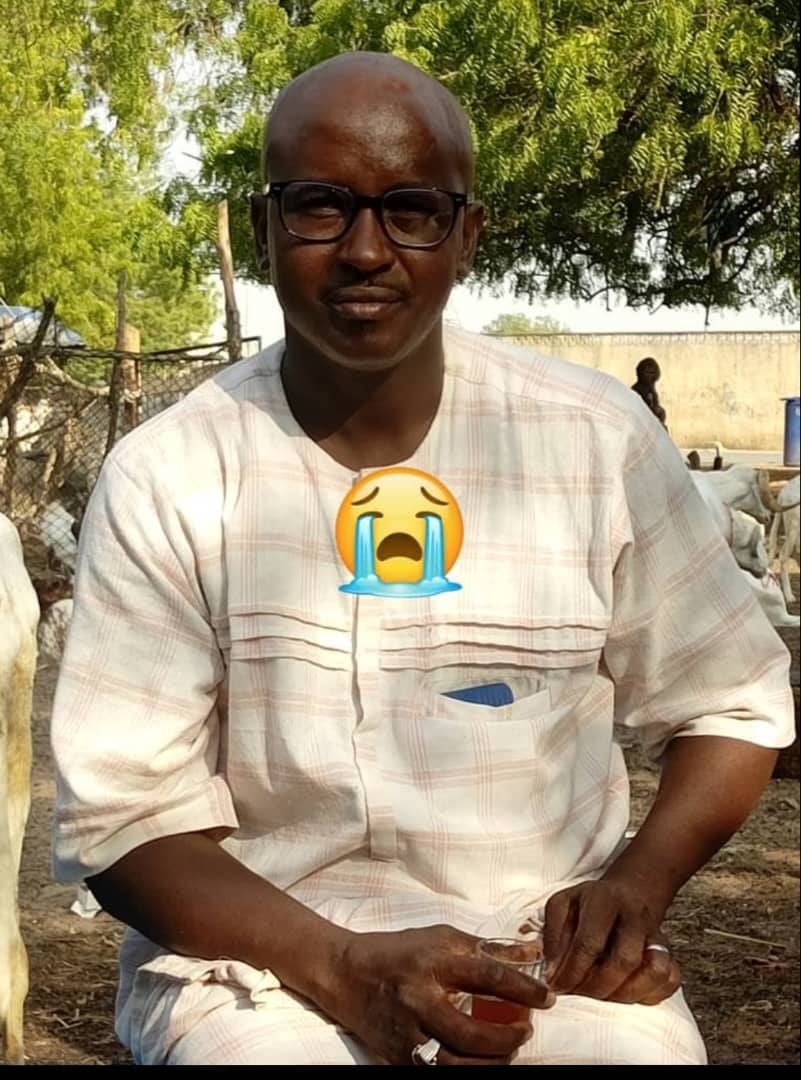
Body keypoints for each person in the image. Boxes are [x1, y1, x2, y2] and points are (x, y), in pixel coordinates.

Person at [51, 52, 793, 1067]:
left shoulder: (592, 442)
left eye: (411, 211)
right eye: (320, 206)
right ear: (266, 229)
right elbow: (125, 822)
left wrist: (634, 886)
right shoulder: (170, 475)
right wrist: (341, 965)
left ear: (468, 236)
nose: (366, 250)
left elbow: (733, 701)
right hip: (261, 972)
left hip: (539, 959)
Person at [631, 356, 667, 427]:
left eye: (652, 373)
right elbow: (643, 413)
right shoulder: (637, 390)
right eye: (648, 372)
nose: (650, 376)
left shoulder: (651, 389)